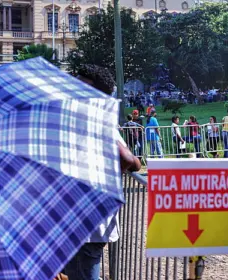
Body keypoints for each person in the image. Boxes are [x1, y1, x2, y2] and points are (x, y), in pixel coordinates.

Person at [65, 64, 141, 280]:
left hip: (83, 219)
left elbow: (126, 159)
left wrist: (129, 164)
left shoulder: (93, 121)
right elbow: (130, 161)